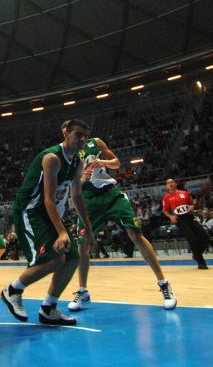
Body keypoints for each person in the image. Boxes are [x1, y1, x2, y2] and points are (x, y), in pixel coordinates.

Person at [67, 125, 176, 312]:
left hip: (111, 195)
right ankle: (83, 291)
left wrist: (103, 162)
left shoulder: (96, 143)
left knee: (135, 234)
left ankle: (164, 284)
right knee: (82, 245)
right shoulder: (64, 157)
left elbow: (117, 163)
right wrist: (82, 180)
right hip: (89, 202)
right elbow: (69, 189)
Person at [0, 119, 97, 326]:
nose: (82, 139)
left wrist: (87, 226)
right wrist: (62, 232)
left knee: (72, 257)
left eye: (85, 136)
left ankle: (48, 309)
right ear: (67, 135)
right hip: (30, 211)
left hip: (48, 213)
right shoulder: (52, 158)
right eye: (78, 134)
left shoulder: (78, 163)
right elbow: (48, 199)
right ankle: (12, 291)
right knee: (54, 260)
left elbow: (77, 196)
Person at [162, 178, 210, 269]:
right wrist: (171, 217)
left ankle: (196, 254)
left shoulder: (184, 193)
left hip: (190, 217)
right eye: (168, 183)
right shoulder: (166, 197)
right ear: (167, 186)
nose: (170, 184)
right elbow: (165, 210)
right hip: (180, 219)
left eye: (172, 182)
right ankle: (201, 262)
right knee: (193, 239)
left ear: (175, 183)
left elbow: (191, 204)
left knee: (204, 236)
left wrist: (191, 207)